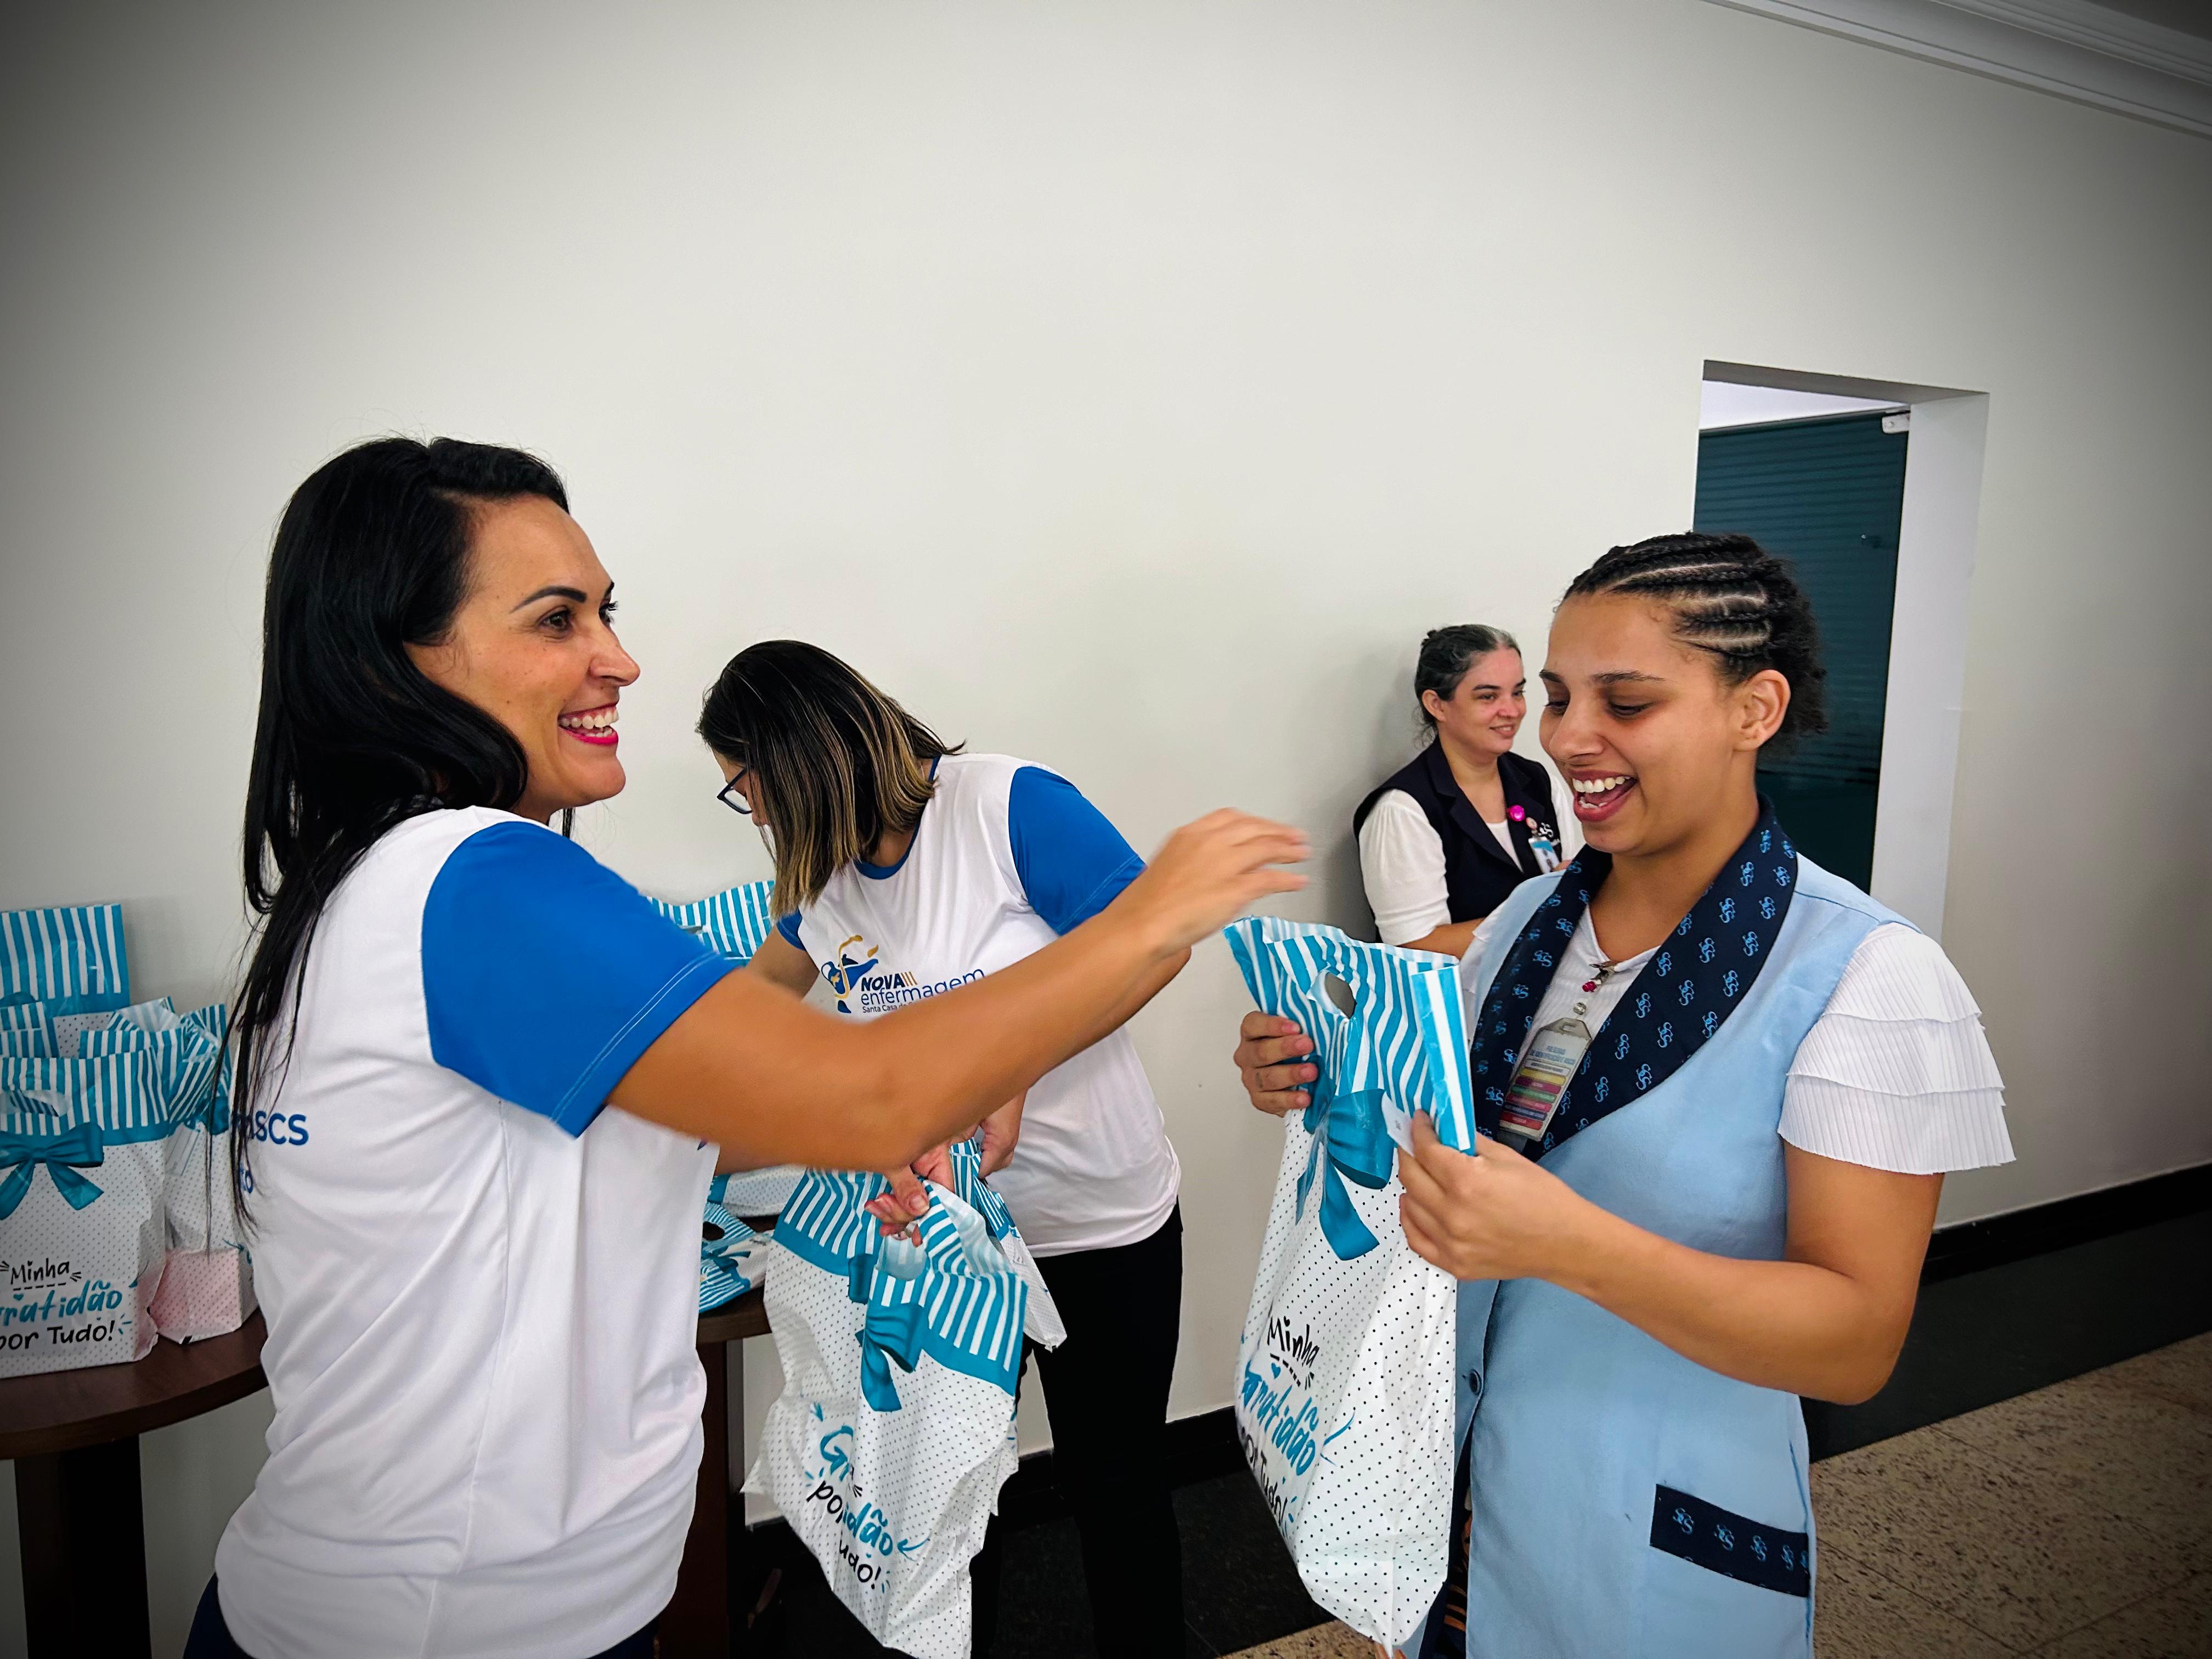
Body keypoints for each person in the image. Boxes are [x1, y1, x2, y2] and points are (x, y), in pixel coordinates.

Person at [187, 438, 1304, 1659]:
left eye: (604, 612)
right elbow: (863, 1087)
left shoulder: (364, 885)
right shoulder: (481, 882)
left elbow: (728, 1115)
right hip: (449, 1623)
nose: (619, 659)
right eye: (556, 619)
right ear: (394, 657)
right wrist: (1154, 908)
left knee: (1109, 1480)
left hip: (430, 1600)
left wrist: (874, 1123)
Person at [1234, 533, 2012, 1658]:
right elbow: (1457, 1151)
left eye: (1627, 702)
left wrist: (1570, 1244)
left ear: (1755, 709)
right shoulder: (1521, 925)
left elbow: (1854, 1344)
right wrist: (1327, 1077)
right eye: (1557, 697)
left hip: (1647, 1539)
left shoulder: (1864, 977)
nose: (1564, 737)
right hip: (1448, 1521)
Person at [703, 640, 1188, 1658]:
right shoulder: (818, 881)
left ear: (801, 759)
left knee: (1116, 1484)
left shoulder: (1004, 806)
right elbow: (746, 1019)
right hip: (947, 1242)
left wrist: (1008, 1069)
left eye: (748, 788)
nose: (752, 816)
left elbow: (1157, 940)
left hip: (1096, 1219)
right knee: (944, 1499)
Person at [1354, 624, 1576, 957]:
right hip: (1456, 991)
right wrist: (1538, 917)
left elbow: (1571, 886)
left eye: (1517, 693)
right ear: (1437, 705)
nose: (1512, 711)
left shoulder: (1537, 782)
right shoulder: (1404, 810)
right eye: (1488, 696)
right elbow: (1415, 946)